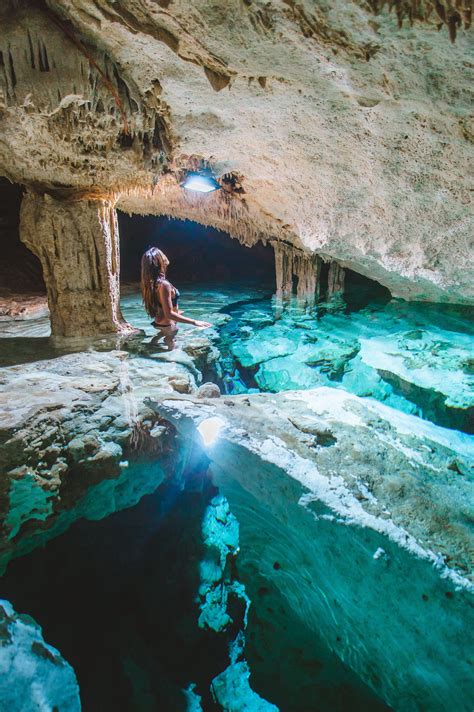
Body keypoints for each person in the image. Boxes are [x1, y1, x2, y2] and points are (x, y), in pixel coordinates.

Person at [141, 247, 211, 349]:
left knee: (161, 337)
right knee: (171, 347)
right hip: (168, 324)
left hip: (159, 322)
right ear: (159, 261)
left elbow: (160, 305)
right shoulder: (163, 284)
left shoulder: (150, 283)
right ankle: (171, 363)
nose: (165, 256)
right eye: (162, 255)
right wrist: (194, 322)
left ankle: (151, 346)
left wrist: (176, 311)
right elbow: (169, 314)